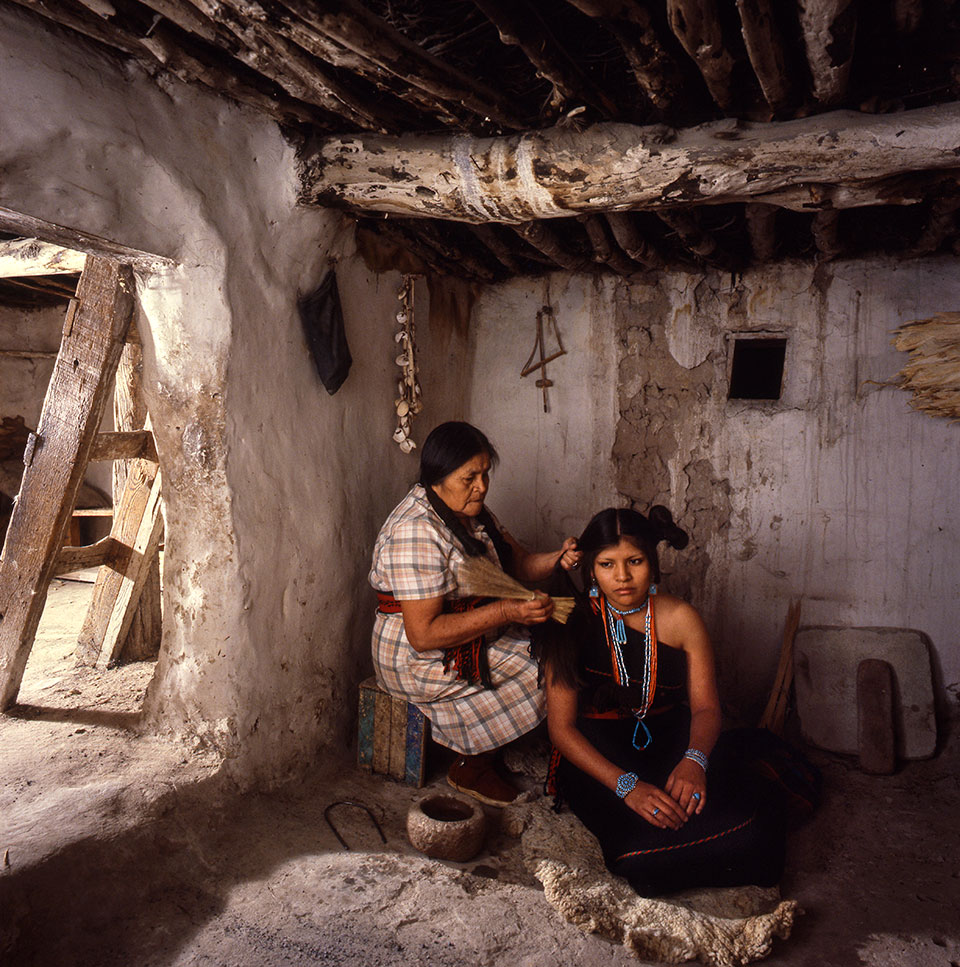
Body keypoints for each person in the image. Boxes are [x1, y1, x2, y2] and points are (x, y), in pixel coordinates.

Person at [539, 506, 804, 896]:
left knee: (756, 829)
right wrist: (627, 787)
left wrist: (694, 760)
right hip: (600, 757)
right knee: (638, 860)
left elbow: (706, 709)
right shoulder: (569, 624)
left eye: (635, 561)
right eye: (607, 564)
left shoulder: (681, 618)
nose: (623, 577)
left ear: (653, 563)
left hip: (673, 743)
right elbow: (561, 729)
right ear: (591, 570)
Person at [369, 421, 582, 807]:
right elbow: (425, 634)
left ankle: (497, 746)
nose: (481, 486)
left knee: (561, 644)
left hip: (467, 633)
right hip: (415, 656)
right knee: (547, 670)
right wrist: (506, 611)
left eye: (485, 474)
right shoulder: (416, 532)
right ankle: (471, 763)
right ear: (437, 477)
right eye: (470, 477)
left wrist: (557, 560)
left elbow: (517, 565)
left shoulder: (471, 512)